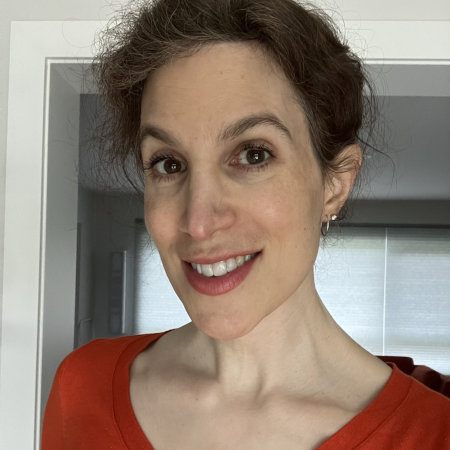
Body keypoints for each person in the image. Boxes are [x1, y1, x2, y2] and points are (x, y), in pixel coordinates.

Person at [41, 0, 450, 449]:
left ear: (335, 184)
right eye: (168, 163)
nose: (198, 223)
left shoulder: (434, 433)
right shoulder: (82, 388)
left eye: (254, 155)